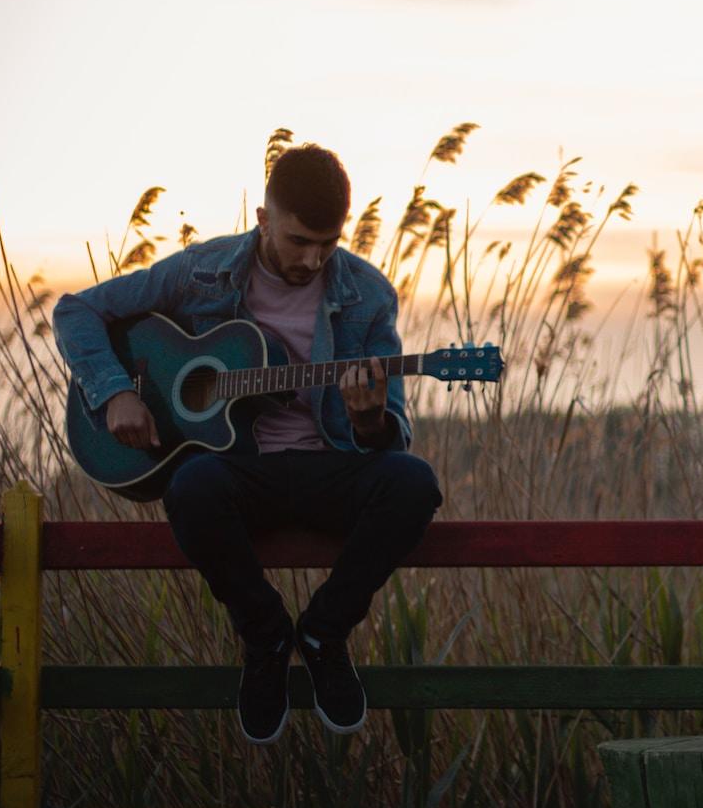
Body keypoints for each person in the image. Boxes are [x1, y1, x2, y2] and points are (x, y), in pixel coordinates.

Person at [51, 143, 443, 744]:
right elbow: (77, 311)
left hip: (326, 470)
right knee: (190, 487)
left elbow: (390, 433)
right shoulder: (201, 271)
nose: (312, 260)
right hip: (240, 474)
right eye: (298, 241)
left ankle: (323, 633)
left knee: (415, 483)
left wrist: (367, 422)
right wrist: (112, 394)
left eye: (328, 244)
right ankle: (264, 637)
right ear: (263, 221)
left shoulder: (368, 296)